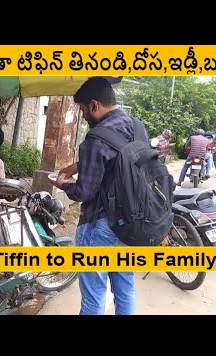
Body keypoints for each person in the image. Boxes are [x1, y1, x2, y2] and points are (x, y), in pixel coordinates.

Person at [49, 77, 146, 315]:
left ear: (94, 105)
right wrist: (79, 165)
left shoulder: (96, 137)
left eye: (82, 110)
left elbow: (84, 192)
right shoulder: (137, 127)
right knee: (125, 288)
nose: (83, 117)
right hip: (131, 223)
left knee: (93, 294)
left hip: (100, 225)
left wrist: (63, 184)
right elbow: (118, 161)